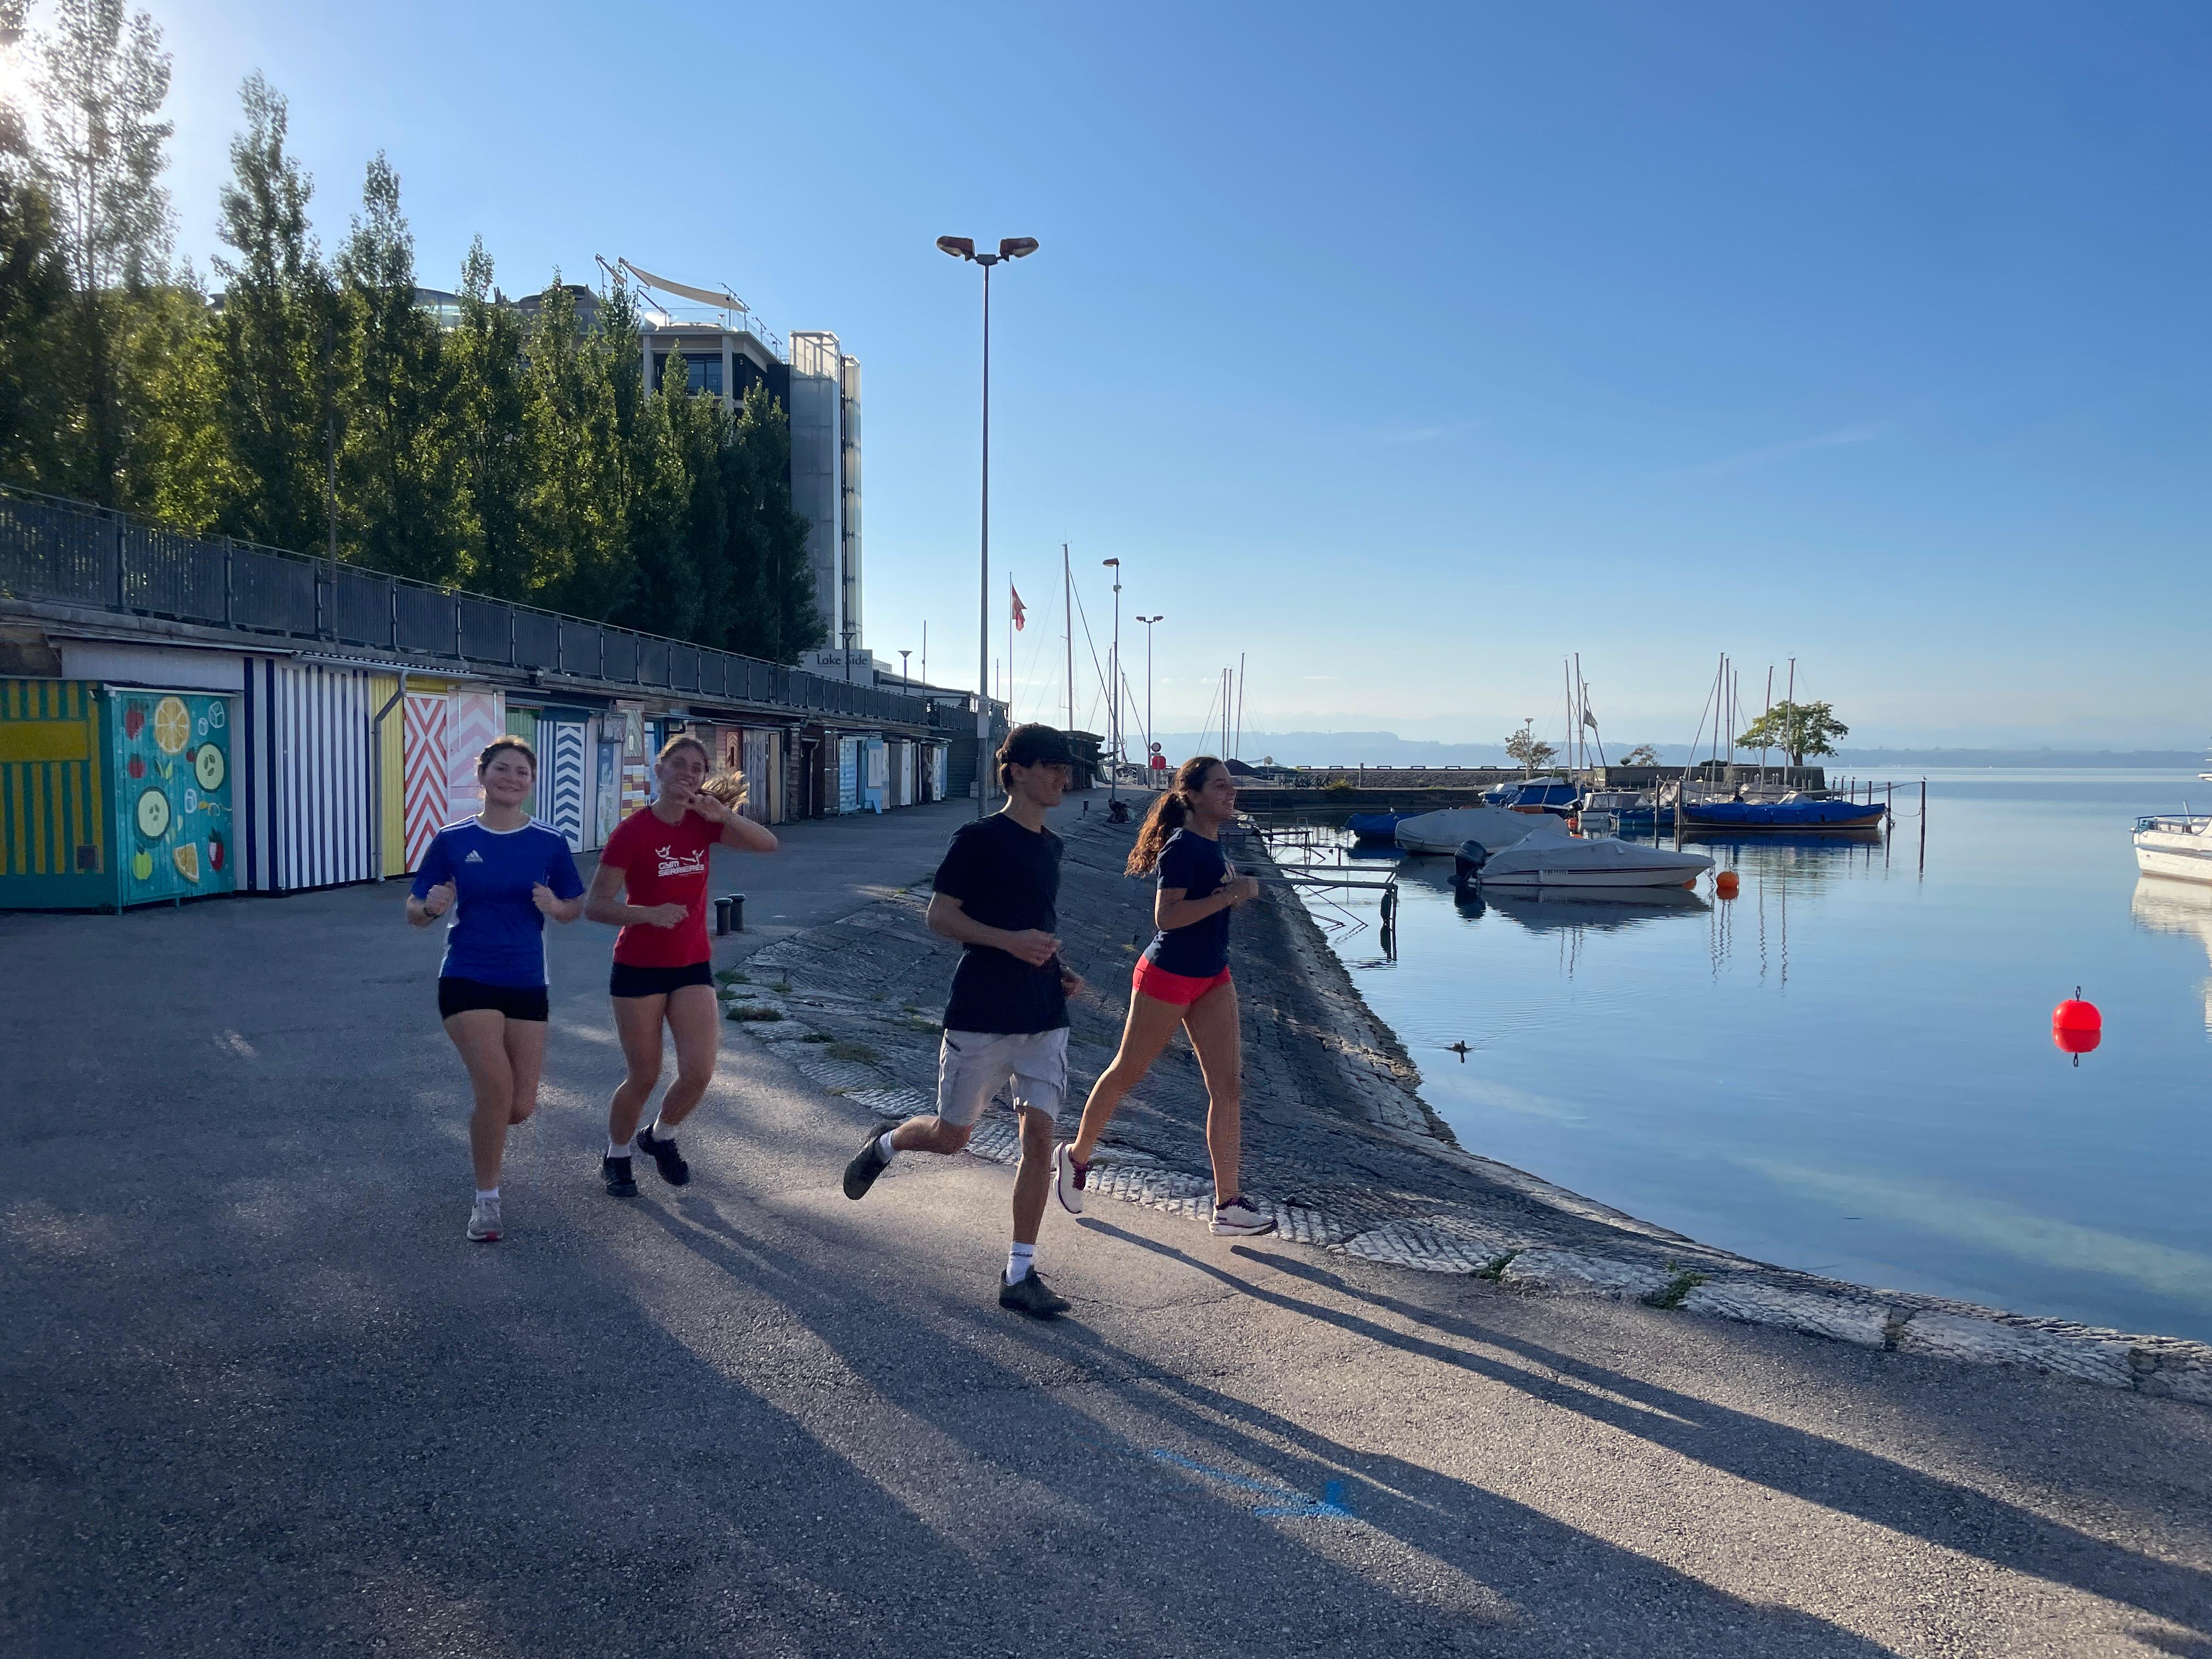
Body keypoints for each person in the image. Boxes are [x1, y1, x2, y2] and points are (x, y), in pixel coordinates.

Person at [840, 724, 1085, 1317]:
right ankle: (888, 1143)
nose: (1064, 777)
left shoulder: (1052, 845)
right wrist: (1010, 943)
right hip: (981, 1012)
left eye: (1067, 768)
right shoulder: (978, 839)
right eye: (1053, 766)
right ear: (1017, 770)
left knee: (1039, 1137)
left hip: (1043, 1014)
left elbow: (1037, 923)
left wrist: (1058, 968)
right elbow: (940, 917)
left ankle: (1019, 1274)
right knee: (953, 1139)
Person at [1052, 755, 1274, 1236]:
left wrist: (1233, 892)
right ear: (1191, 795)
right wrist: (1232, 894)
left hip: (1213, 975)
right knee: (1127, 1072)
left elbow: (1208, 906)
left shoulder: (1213, 843)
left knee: (1228, 1088)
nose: (1230, 793)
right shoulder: (1181, 847)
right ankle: (1075, 1156)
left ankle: (1228, 1204)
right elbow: (1167, 918)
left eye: (1231, 786)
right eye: (1220, 787)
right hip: (1168, 975)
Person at [406, 735, 586, 1243]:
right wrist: (430, 908)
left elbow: (574, 907)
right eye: (502, 769)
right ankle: (487, 1201)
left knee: (519, 1106)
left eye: (521, 772)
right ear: (482, 776)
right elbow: (414, 909)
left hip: (527, 979)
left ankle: (487, 1127)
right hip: (467, 975)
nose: (511, 778)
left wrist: (556, 906)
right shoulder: (453, 839)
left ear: (532, 783)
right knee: (495, 1089)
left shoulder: (549, 841)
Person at [585, 734, 777, 1197]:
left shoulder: (702, 823)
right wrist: (646, 915)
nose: (688, 774)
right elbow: (596, 905)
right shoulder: (632, 833)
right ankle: (617, 1154)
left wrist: (723, 814)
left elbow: (768, 845)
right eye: (679, 764)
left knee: (699, 1071)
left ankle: (660, 1136)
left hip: (691, 964)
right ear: (660, 770)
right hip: (638, 967)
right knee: (644, 1075)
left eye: (697, 768)